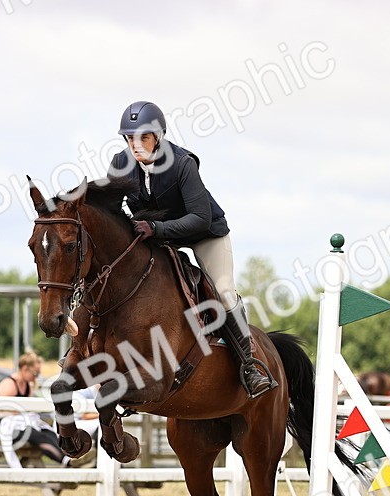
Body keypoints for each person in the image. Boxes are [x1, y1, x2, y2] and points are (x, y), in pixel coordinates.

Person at [106, 100, 274, 399]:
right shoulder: (121, 164)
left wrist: (156, 229)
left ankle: (250, 365)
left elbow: (199, 218)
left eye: (143, 137)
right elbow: (112, 211)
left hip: (204, 233)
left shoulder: (182, 163)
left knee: (222, 291)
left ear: (158, 136)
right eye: (130, 138)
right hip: (158, 235)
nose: (136, 144)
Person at [0, 351, 69, 469]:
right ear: (25, 369)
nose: (36, 377)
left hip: (21, 424)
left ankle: (68, 456)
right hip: (3, 425)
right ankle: (64, 460)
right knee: (34, 434)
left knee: (48, 433)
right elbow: (2, 411)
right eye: (35, 373)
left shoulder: (28, 386)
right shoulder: (9, 384)